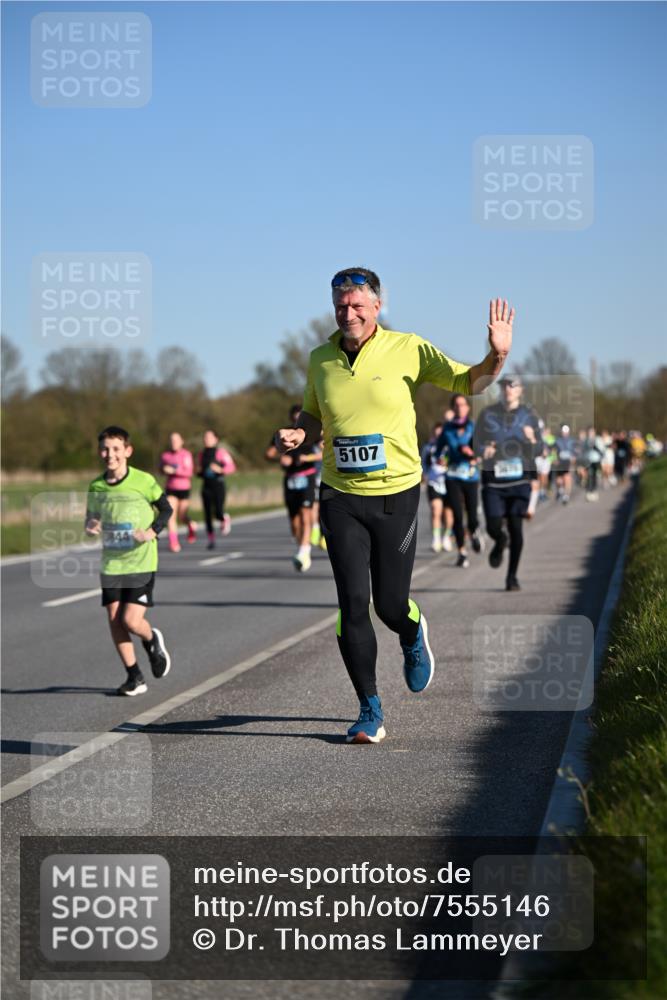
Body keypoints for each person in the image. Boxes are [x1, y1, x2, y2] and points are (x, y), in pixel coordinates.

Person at [274, 267, 514, 743]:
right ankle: (369, 708)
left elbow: (470, 383)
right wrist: (301, 433)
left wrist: (497, 355)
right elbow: (314, 415)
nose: (349, 313)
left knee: (388, 604)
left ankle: (411, 631)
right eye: (341, 305)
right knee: (351, 603)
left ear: (377, 307)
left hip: (397, 493)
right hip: (339, 495)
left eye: (358, 305)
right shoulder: (320, 358)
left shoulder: (408, 348)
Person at [85, 425, 172, 696]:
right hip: (112, 562)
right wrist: (92, 524)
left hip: (141, 560)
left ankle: (151, 638)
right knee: (114, 619)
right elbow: (93, 516)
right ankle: (134, 676)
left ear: (127, 451)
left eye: (115, 449)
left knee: (131, 621)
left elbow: (166, 509)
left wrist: (151, 531)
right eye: (105, 449)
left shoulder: (143, 481)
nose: (109, 454)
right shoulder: (97, 486)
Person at [475, 375, 542, 592]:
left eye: (513, 386)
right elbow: (474, 444)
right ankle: (499, 540)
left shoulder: (529, 416)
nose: (508, 389)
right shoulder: (487, 414)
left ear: (520, 390)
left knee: (516, 529)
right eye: (504, 385)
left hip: (519, 480)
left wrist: (532, 440)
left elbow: (540, 449)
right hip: (494, 482)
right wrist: (483, 450)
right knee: (493, 527)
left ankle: (512, 577)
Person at [266, 404, 321, 571]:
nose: (297, 419)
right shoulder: (286, 432)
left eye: (300, 416)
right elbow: (269, 453)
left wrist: (307, 457)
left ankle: (305, 550)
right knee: (294, 522)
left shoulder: (312, 432)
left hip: (307, 476)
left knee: (306, 513)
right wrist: (280, 458)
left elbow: (324, 451)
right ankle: (302, 546)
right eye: (294, 416)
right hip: (290, 478)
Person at [435, 394, 483, 567]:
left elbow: (483, 448)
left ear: (467, 408)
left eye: (463, 405)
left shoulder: (474, 426)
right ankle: (462, 551)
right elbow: (438, 450)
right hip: (453, 476)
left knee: (471, 515)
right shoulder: (447, 429)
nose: (460, 407)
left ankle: (474, 531)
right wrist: (440, 458)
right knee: (456, 514)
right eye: (456, 405)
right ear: (453, 408)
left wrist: (473, 454)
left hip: (471, 476)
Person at [196, 430, 237, 550]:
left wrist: (220, 469)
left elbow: (231, 467)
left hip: (218, 485)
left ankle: (224, 518)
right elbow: (198, 470)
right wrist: (199, 472)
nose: (206, 439)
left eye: (209, 437)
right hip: (206, 486)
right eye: (205, 437)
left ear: (216, 439)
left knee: (218, 511)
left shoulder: (220, 453)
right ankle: (211, 540)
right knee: (207, 514)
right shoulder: (201, 454)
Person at [160, 431, 197, 552]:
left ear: (182, 441)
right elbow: (161, 469)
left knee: (182, 516)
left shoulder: (186, 455)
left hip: (184, 489)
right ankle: (174, 542)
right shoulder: (165, 456)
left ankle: (190, 525)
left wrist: (175, 471)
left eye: (176, 440)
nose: (173, 443)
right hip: (171, 489)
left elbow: (189, 472)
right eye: (171, 440)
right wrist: (164, 469)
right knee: (171, 516)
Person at [420, 422, 453, 553]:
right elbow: (423, 462)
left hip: (449, 482)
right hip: (434, 483)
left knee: (448, 513)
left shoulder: (450, 447)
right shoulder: (428, 447)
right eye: (436, 434)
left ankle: (446, 537)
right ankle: (436, 538)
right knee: (435, 510)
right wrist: (425, 475)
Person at [553, 423, 576, 504]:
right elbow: (553, 451)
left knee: (567, 478)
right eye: (563, 431)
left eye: (566, 431)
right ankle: (560, 490)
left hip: (568, 462)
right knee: (559, 480)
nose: (565, 433)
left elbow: (575, 451)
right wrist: (554, 459)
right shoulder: (557, 440)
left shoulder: (572, 440)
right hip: (560, 462)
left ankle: (566, 496)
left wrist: (574, 457)